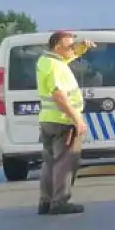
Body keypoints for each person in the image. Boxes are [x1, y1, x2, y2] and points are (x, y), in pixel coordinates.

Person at [35, 30, 88, 216]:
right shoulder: (55, 67)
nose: (72, 49)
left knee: (50, 162)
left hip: (48, 120)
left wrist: (81, 49)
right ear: (58, 48)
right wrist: (77, 119)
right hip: (63, 121)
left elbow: (68, 58)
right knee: (65, 162)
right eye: (70, 46)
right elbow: (59, 96)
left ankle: (46, 201)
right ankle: (59, 201)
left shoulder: (47, 61)